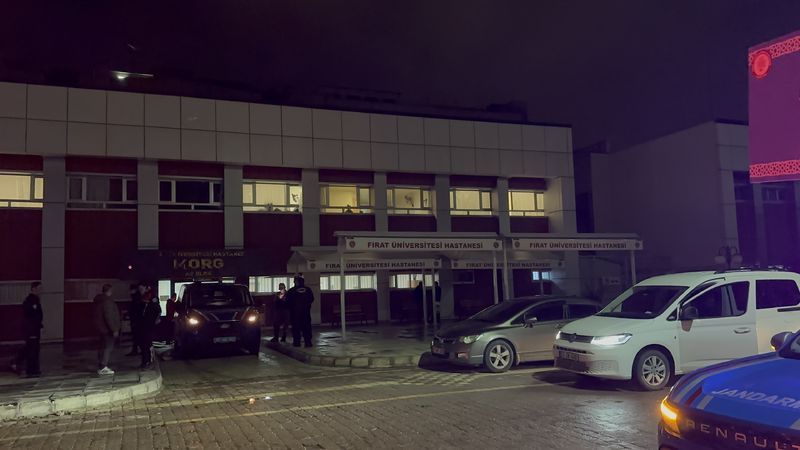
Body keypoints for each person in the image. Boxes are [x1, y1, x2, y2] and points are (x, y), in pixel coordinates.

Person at [12, 282, 43, 377]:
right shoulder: (30, 301)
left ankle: (32, 368)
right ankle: (30, 368)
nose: (41, 291)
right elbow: (30, 316)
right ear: (33, 289)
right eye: (39, 288)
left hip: (35, 329)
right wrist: (32, 327)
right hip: (31, 329)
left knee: (33, 348)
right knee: (31, 349)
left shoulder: (36, 300)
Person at [93, 284, 120, 376]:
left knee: (102, 346)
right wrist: (114, 329)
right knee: (108, 347)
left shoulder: (99, 300)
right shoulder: (107, 301)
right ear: (110, 290)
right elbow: (109, 316)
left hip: (101, 328)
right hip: (107, 329)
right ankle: (103, 366)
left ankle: (101, 365)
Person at [286, 276, 314, 348]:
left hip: (295, 314)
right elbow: (311, 299)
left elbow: (288, 301)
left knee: (296, 328)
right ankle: (308, 342)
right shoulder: (308, 290)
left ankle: (297, 342)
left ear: (296, 282)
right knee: (307, 327)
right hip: (305, 313)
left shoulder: (292, 290)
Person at [139, 284, 161, 369]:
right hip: (143, 325)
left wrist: (156, 320)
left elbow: (158, 311)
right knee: (144, 344)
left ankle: (149, 361)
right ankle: (145, 361)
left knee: (148, 344)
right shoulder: (142, 301)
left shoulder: (152, 300)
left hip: (149, 325)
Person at [126, 284, 143, 356]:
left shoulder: (135, 298)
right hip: (137, 320)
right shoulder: (138, 297)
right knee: (137, 336)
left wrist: (132, 318)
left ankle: (136, 350)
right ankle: (138, 350)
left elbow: (134, 310)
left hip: (136, 320)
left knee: (136, 336)